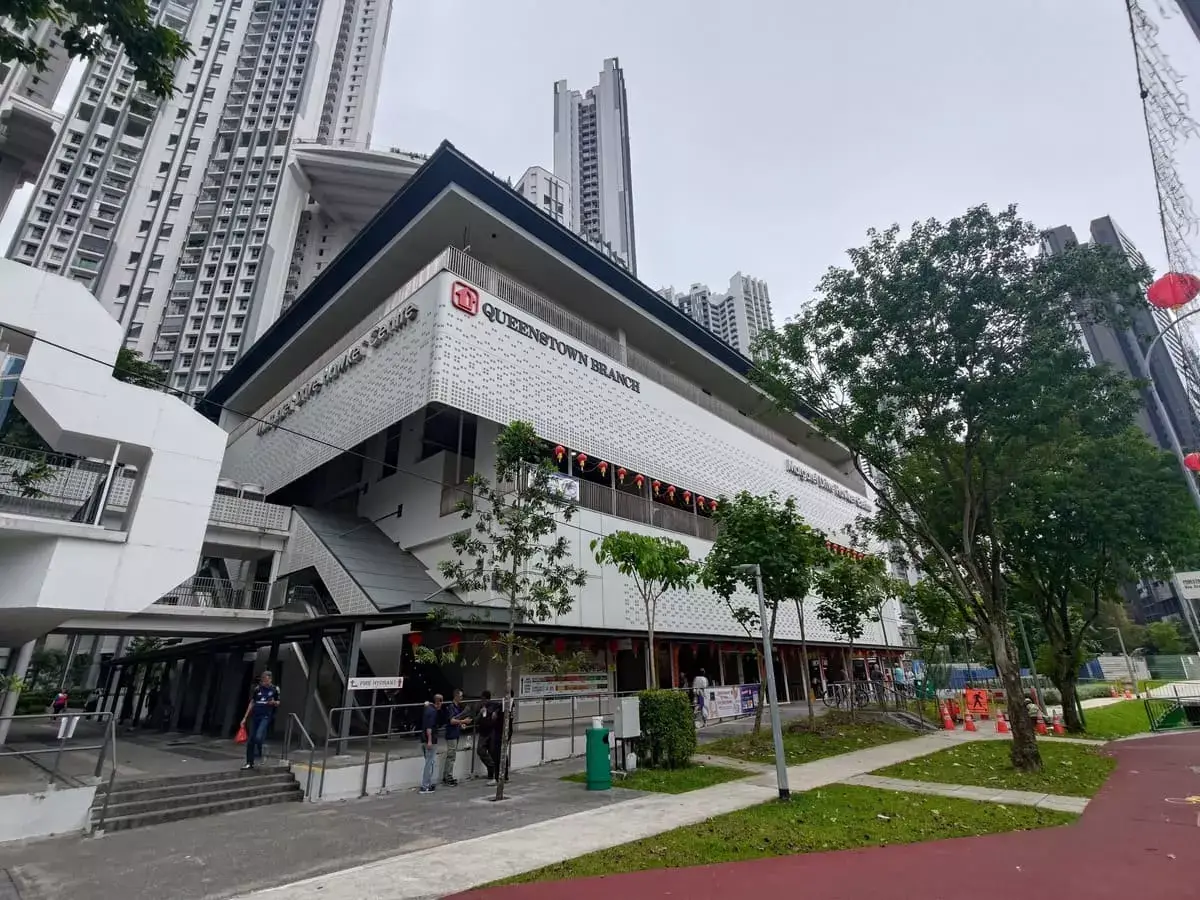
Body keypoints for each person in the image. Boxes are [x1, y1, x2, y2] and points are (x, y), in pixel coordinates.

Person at [240, 671, 280, 770]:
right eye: (263, 680)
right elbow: (252, 702)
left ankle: (260, 752)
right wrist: (245, 718)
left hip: (265, 716)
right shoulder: (257, 689)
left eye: (266, 680)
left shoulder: (275, 689)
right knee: (251, 740)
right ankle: (249, 762)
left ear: (270, 679)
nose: (264, 682)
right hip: (255, 716)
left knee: (258, 736)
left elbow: (278, 702)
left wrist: (273, 702)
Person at [441, 689, 470, 786]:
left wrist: (461, 724)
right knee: (451, 756)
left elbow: (457, 721)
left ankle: (448, 775)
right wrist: (463, 722)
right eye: (460, 696)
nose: (461, 698)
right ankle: (448, 777)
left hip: (456, 733)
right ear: (456, 696)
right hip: (451, 734)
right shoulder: (451, 707)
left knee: (452, 755)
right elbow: (452, 721)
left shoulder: (457, 707)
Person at [475, 690, 502, 784]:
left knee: (492, 752)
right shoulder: (480, 707)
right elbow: (476, 720)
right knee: (480, 750)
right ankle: (491, 766)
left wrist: (495, 713)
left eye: (483, 699)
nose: (482, 701)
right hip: (483, 732)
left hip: (491, 732)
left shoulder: (494, 705)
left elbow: (500, 707)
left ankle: (492, 772)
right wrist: (480, 713)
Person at [419, 693, 444, 794]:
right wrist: (430, 740)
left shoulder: (427, 708)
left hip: (423, 739)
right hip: (430, 740)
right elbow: (430, 727)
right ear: (439, 702)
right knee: (429, 763)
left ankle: (427, 784)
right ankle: (425, 786)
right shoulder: (433, 712)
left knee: (429, 762)